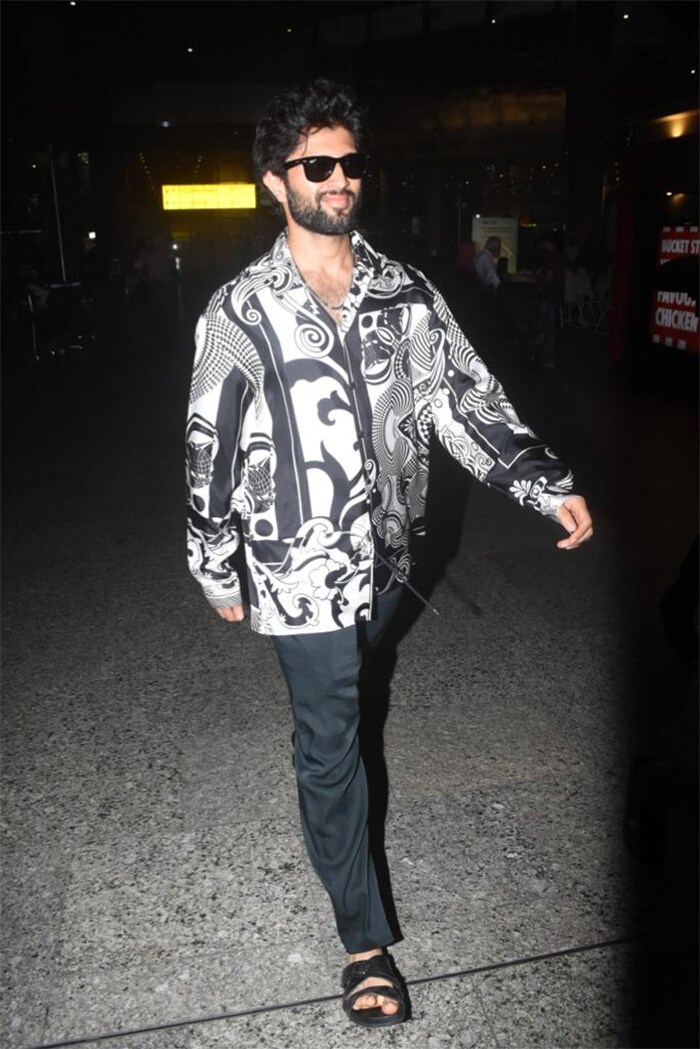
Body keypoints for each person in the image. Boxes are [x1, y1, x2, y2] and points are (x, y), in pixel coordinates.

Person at [185, 78, 593, 1029]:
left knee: (357, 692)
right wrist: (215, 563)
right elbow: (207, 447)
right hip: (294, 565)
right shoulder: (238, 312)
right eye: (316, 165)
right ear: (272, 183)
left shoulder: (404, 292)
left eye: (348, 163)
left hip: (389, 553)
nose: (338, 181)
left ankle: (340, 798)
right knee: (330, 740)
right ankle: (363, 943)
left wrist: (544, 482)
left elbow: (466, 401)